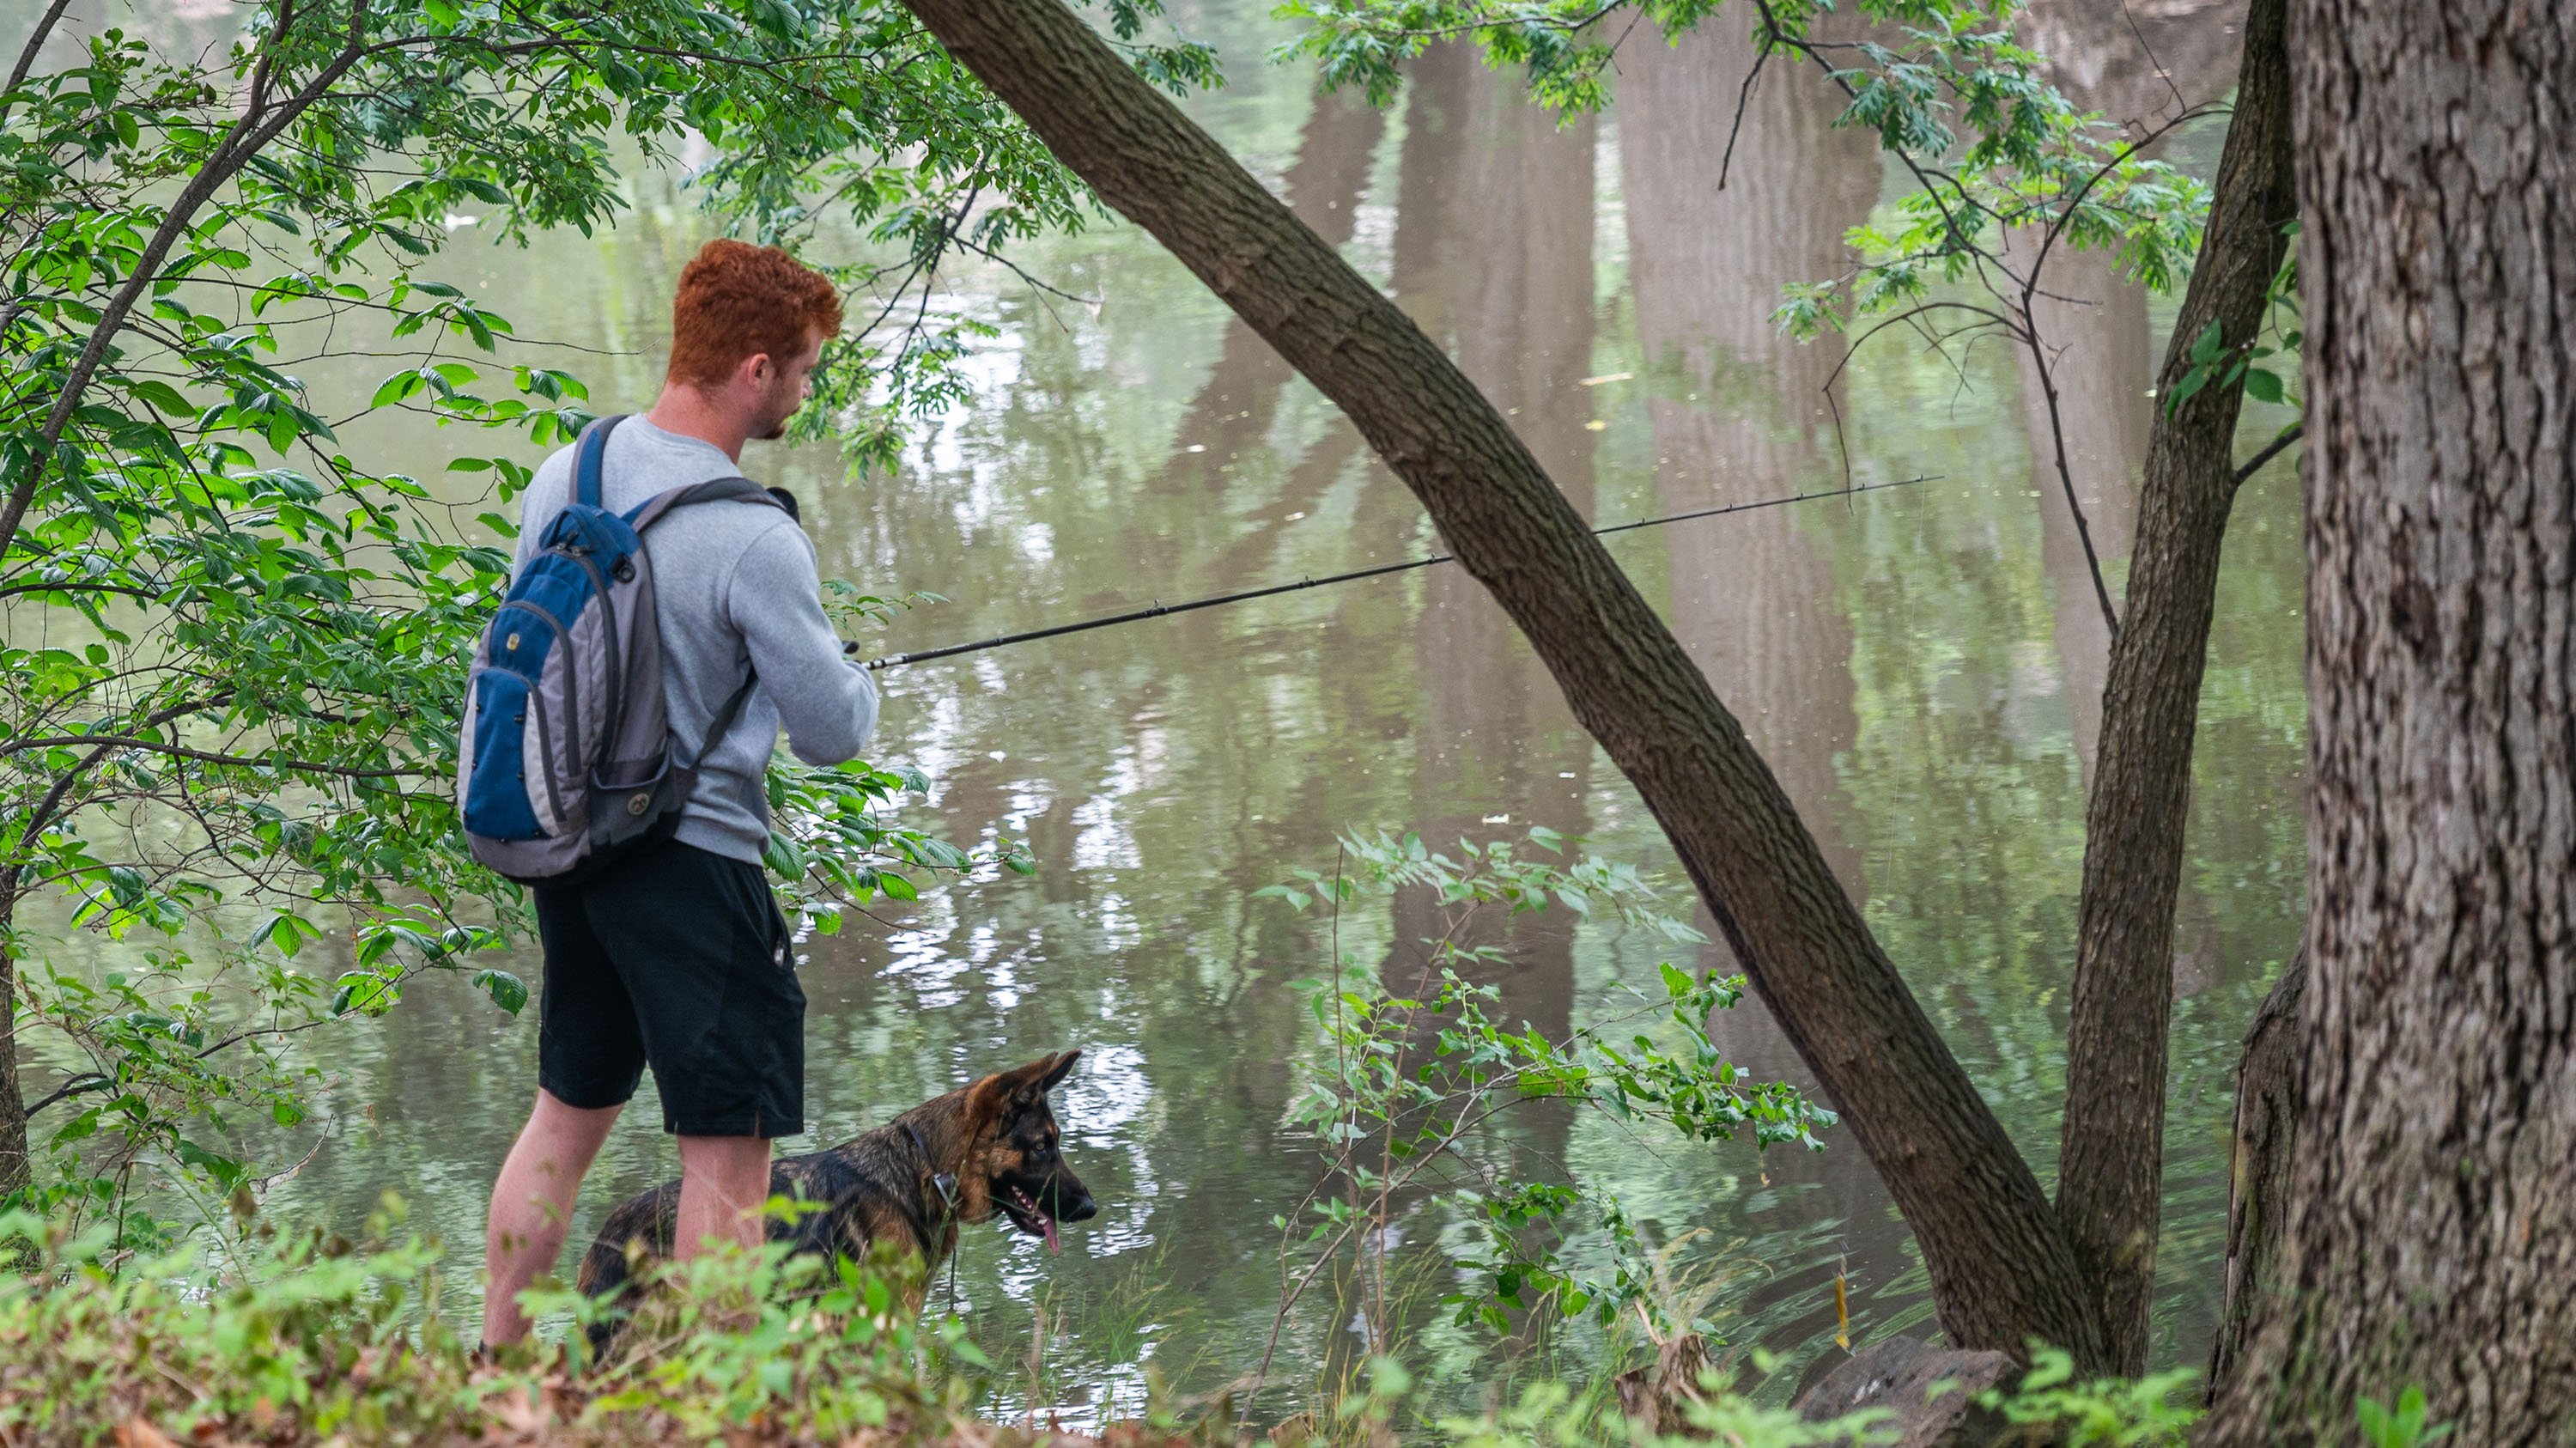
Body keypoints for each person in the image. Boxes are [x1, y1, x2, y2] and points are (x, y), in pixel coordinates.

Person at [479, 240, 879, 1348]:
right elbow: (833, 733)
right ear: (755, 368)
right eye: (802, 367)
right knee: (728, 1146)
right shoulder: (755, 533)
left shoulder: (570, 473)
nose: (805, 387)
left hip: (572, 851)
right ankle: (709, 1403)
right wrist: (855, 676)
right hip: (696, 865)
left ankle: (496, 1368)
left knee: (565, 1116)